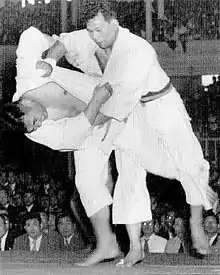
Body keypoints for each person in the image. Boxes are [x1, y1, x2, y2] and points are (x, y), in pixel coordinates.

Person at [1, 7, 215, 266]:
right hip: (90, 126)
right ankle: (107, 244)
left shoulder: (29, 70)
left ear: (23, 104)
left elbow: (32, 36)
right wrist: (97, 105)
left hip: (112, 104)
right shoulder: (36, 132)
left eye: (34, 119)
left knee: (161, 164)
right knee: (86, 182)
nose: (39, 124)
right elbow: (73, 136)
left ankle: (199, 188)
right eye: (33, 127)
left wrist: (52, 56)